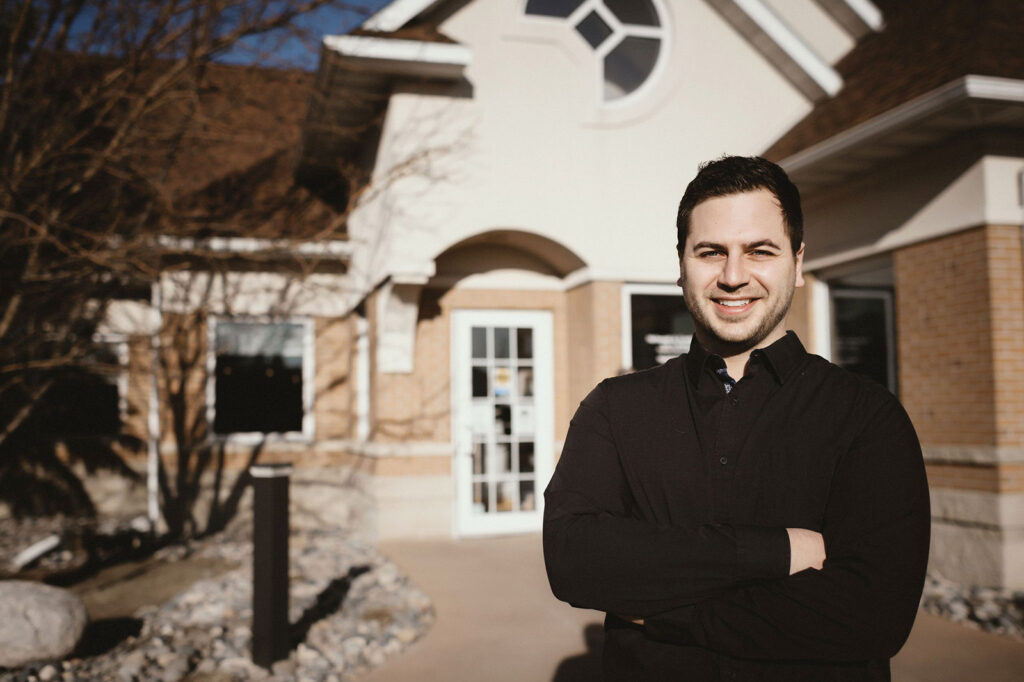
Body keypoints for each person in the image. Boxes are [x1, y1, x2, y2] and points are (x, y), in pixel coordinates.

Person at [543, 156, 930, 681]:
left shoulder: (867, 417)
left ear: (796, 262)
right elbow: (574, 559)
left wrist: (664, 611)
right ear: (681, 265)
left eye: (759, 251)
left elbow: (871, 616)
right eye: (710, 252)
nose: (732, 276)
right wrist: (775, 550)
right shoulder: (614, 409)